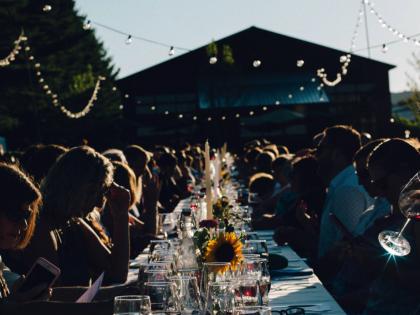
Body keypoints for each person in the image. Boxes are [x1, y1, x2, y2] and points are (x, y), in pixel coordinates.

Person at [5, 146, 130, 286]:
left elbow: (117, 273)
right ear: (72, 187)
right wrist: (117, 294)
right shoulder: (40, 225)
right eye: (94, 192)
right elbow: (54, 296)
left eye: (104, 193)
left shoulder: (74, 222)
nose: (100, 203)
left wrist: (121, 215)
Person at [361, 139, 420, 314]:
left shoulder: (415, 214)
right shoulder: (398, 216)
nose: (378, 192)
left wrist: (378, 262)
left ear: (405, 172)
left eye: (382, 184)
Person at [316, 125, 372, 259]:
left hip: (337, 278)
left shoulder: (347, 189)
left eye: (320, 150)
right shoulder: (342, 184)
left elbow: (345, 251)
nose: (315, 155)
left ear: (337, 154)